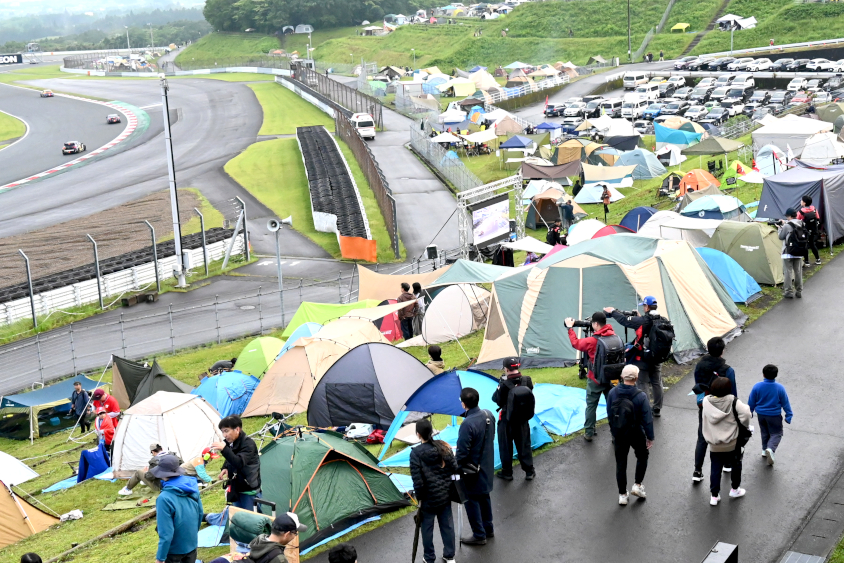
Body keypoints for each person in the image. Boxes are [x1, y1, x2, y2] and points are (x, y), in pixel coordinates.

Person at [566, 312, 621, 442]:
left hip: (595, 378)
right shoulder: (615, 337)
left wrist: (570, 328)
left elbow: (576, 343)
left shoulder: (592, 340)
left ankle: (589, 433)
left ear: (595, 324)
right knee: (612, 405)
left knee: (591, 405)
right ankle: (615, 434)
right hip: (612, 377)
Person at [604, 297, 664, 417]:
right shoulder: (662, 320)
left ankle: (645, 410)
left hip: (643, 358)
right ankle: (657, 408)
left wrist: (613, 311)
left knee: (643, 383)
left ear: (646, 307)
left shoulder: (641, 321)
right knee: (657, 382)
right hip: (657, 357)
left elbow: (624, 320)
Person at [410, 419, 457, 563]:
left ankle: (429, 557)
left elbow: (417, 482)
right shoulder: (443, 447)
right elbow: (454, 468)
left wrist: (421, 498)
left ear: (418, 435)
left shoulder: (416, 454)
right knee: (447, 526)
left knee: (427, 529)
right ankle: (450, 556)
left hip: (428, 500)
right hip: (445, 495)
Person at [691, 337, 737, 483]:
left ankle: (697, 471)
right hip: (723, 407)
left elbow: (698, 384)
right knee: (726, 434)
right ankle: (727, 464)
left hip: (705, 405)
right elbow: (733, 391)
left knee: (702, 437)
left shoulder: (700, 366)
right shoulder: (727, 370)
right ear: (722, 351)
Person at [607, 365, 654, 505]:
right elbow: (647, 419)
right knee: (642, 455)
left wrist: (613, 431)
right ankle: (638, 485)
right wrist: (650, 437)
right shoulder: (641, 396)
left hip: (619, 433)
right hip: (636, 432)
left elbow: (610, 414)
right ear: (636, 378)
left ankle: (622, 494)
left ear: (622, 377)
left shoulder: (612, 393)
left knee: (621, 463)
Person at [702, 377, 751, 506]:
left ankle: (714, 496)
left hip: (714, 443)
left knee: (715, 467)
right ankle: (735, 489)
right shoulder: (733, 401)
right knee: (736, 464)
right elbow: (746, 414)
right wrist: (744, 425)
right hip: (732, 442)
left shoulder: (706, 401)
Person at [455, 387, 494, 546]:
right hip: (487, 463)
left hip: (472, 468)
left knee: (471, 500)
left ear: (464, 404)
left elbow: (462, 452)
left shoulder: (467, 424)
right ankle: (488, 528)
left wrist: (456, 466)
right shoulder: (488, 415)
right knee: (484, 496)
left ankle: (479, 534)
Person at [152, 455, 203, 563]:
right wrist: (192, 536)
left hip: (174, 551)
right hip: (192, 544)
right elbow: (200, 514)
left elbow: (166, 533)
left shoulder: (164, 498)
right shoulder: (192, 486)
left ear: (162, 474)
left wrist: (160, 558)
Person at [491, 357, 535, 481]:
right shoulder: (527, 380)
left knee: (505, 445)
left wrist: (500, 388)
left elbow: (496, 400)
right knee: (524, 444)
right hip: (522, 418)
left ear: (506, 368)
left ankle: (507, 472)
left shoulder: (503, 385)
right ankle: (529, 471)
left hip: (506, 419)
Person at [208, 512, 307, 563]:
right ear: (286, 534)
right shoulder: (279, 559)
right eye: (295, 533)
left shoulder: (260, 540)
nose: (295, 536)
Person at [211, 415, 261, 512]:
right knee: (237, 517)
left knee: (251, 519)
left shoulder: (248, 444)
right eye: (222, 432)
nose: (224, 435)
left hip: (249, 488)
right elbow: (230, 457)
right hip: (236, 487)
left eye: (226, 431)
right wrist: (225, 467)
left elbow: (239, 462)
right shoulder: (231, 443)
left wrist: (224, 449)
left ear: (237, 429)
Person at [748, 364, 793, 466]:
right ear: (776, 375)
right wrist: (789, 415)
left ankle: (764, 449)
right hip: (774, 415)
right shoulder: (779, 388)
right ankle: (771, 448)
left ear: (763, 374)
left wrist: (749, 411)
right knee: (777, 433)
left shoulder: (757, 386)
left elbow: (752, 400)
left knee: (765, 432)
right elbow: (785, 402)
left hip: (761, 415)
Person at [778, 208, 806, 298]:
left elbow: (781, 237)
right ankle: (799, 291)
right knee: (798, 271)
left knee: (788, 272)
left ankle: (788, 291)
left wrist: (780, 228)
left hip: (788, 252)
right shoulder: (802, 223)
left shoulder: (787, 226)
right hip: (799, 250)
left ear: (789, 216)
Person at [797, 195, 822, 266]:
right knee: (812, 244)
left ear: (804, 203)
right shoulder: (814, 209)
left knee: (805, 245)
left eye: (801, 200)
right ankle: (818, 259)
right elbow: (817, 218)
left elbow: (797, 221)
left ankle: (807, 261)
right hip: (814, 230)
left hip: (805, 231)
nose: (800, 201)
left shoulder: (801, 212)